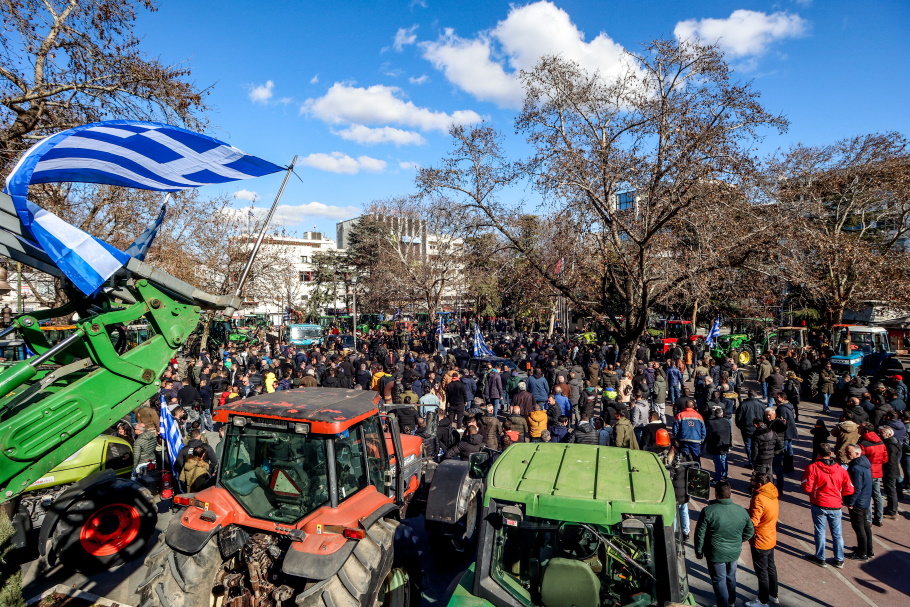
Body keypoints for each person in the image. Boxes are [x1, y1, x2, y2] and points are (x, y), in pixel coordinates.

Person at [694, 481, 755, 607]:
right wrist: (738, 541)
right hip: (734, 552)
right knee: (731, 576)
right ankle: (731, 601)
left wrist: (699, 551)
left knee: (719, 580)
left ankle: (723, 604)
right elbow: (750, 531)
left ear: (716, 493)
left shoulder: (708, 511)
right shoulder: (741, 511)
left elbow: (700, 534)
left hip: (716, 553)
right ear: (730, 493)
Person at [801, 443, 854, 568]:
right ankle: (839, 559)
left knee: (820, 531)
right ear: (831, 454)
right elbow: (849, 489)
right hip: (835, 504)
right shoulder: (841, 470)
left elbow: (807, 486)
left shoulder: (813, 467)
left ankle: (820, 557)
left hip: (819, 503)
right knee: (837, 533)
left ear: (818, 454)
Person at [746, 472, 779, 607]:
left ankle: (762, 600)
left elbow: (754, 520)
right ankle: (773, 594)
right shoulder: (772, 493)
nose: (751, 483)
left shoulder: (759, 498)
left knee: (761, 571)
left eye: (752, 481)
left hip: (760, 538)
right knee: (771, 567)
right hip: (770, 536)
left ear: (759, 484)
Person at [844, 444, 874, 561]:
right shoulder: (865, 464)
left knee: (859, 527)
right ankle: (868, 549)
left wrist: (851, 502)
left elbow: (857, 487)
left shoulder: (855, 468)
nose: (847, 453)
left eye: (849, 452)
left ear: (857, 453)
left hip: (858, 502)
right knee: (865, 526)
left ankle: (862, 553)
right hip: (865, 500)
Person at [858, 423, 887, 526]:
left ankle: (868, 519)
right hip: (878, 471)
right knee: (877, 494)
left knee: (867, 496)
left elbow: (860, 459)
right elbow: (885, 458)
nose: (858, 428)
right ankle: (879, 518)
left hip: (867, 472)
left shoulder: (863, 443)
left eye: (860, 427)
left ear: (865, 431)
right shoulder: (880, 442)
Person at [736, 390, 766, 468]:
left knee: (749, 446)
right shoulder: (762, 405)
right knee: (758, 446)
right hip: (759, 429)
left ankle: (752, 462)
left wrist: (741, 427)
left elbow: (738, 418)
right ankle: (758, 462)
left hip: (747, 428)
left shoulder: (743, 404)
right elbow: (765, 417)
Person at [878, 425, 900, 520]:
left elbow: (889, 460)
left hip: (890, 470)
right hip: (892, 469)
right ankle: (892, 508)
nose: (880, 434)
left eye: (882, 433)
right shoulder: (894, 443)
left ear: (889, 434)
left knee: (891, 491)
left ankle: (892, 511)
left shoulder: (890, 446)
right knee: (890, 490)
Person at [705, 406, 732, 483]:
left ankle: (718, 477)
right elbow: (729, 433)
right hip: (725, 443)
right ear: (722, 414)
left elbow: (708, 434)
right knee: (723, 459)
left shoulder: (711, 422)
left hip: (715, 444)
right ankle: (724, 474)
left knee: (717, 461)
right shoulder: (727, 421)